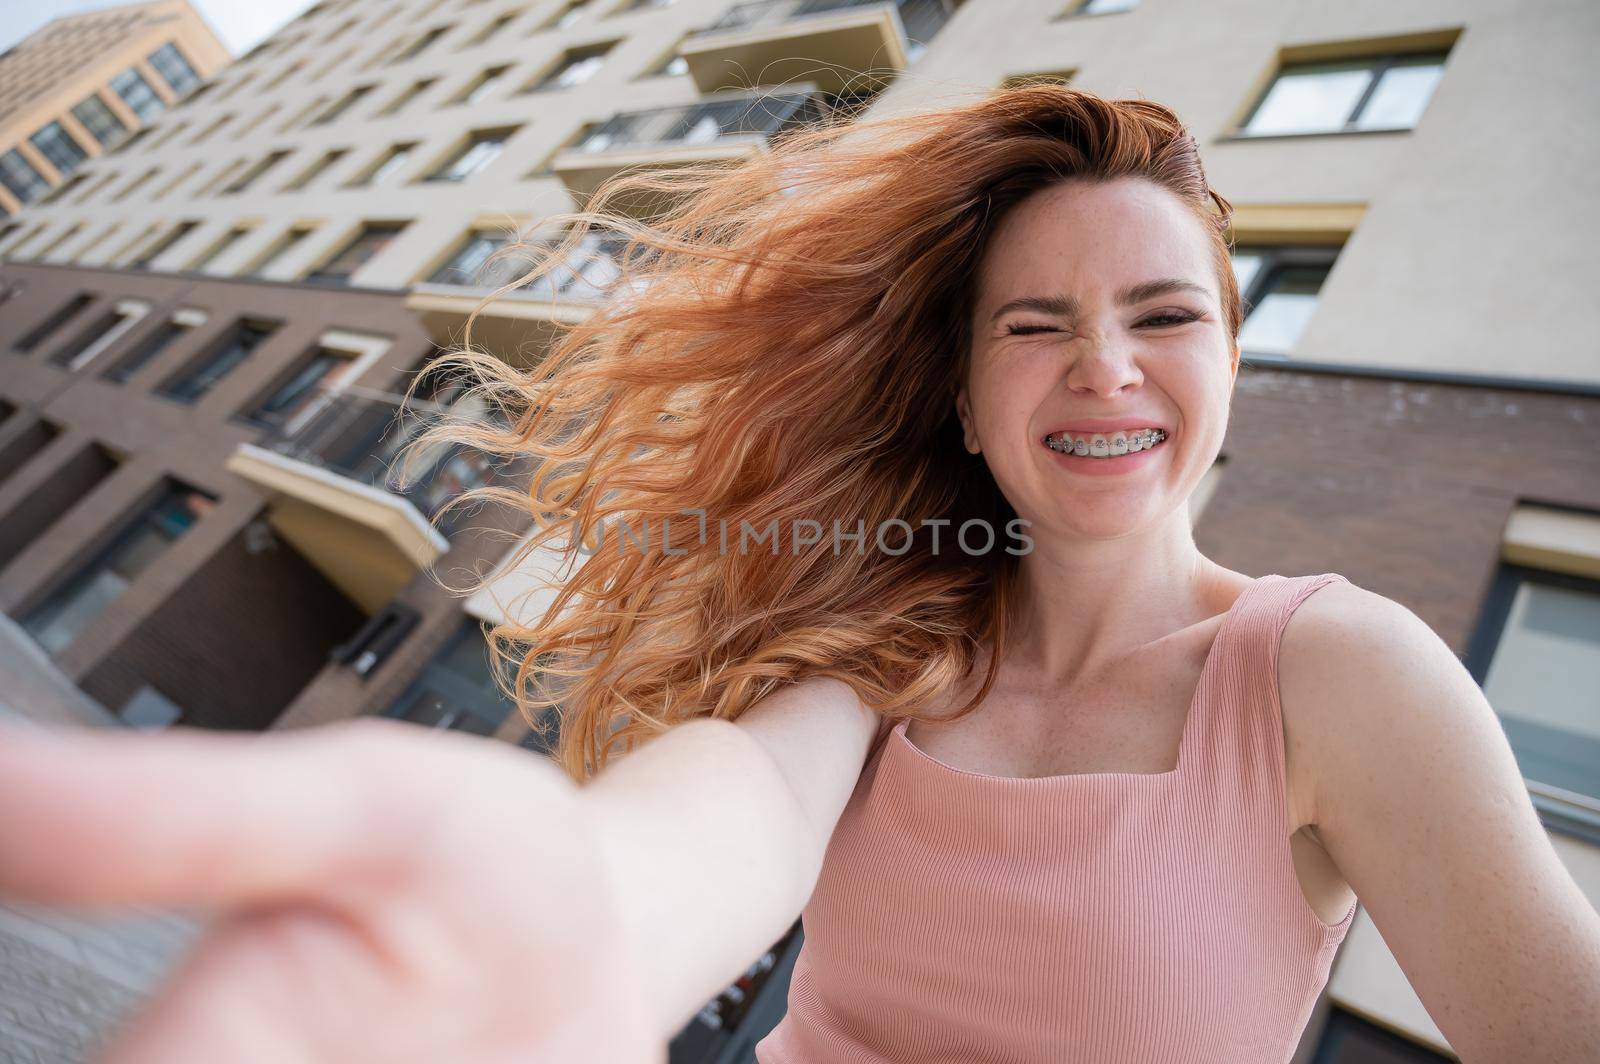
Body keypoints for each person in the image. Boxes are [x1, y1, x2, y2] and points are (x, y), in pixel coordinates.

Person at [1, 85, 1597, 1064]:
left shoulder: (1334, 671)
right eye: (1035, 328)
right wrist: (587, 910)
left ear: (1232, 367)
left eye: (1167, 317)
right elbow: (738, 820)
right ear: (967, 405)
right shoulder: (893, 645)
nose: (1105, 369)